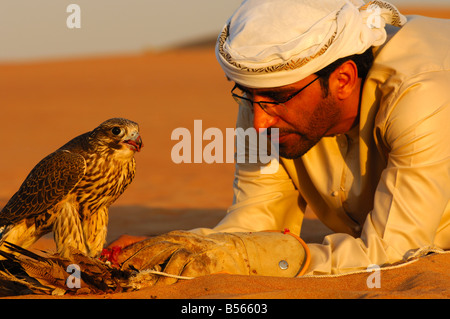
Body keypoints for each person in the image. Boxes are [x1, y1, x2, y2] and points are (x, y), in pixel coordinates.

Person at [109, 0, 450, 280]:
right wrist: (178, 246)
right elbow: (257, 219)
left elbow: (391, 257)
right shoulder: (266, 100)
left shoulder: (422, 94)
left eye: (278, 97)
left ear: (343, 79)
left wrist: (244, 259)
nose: (259, 124)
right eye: (248, 96)